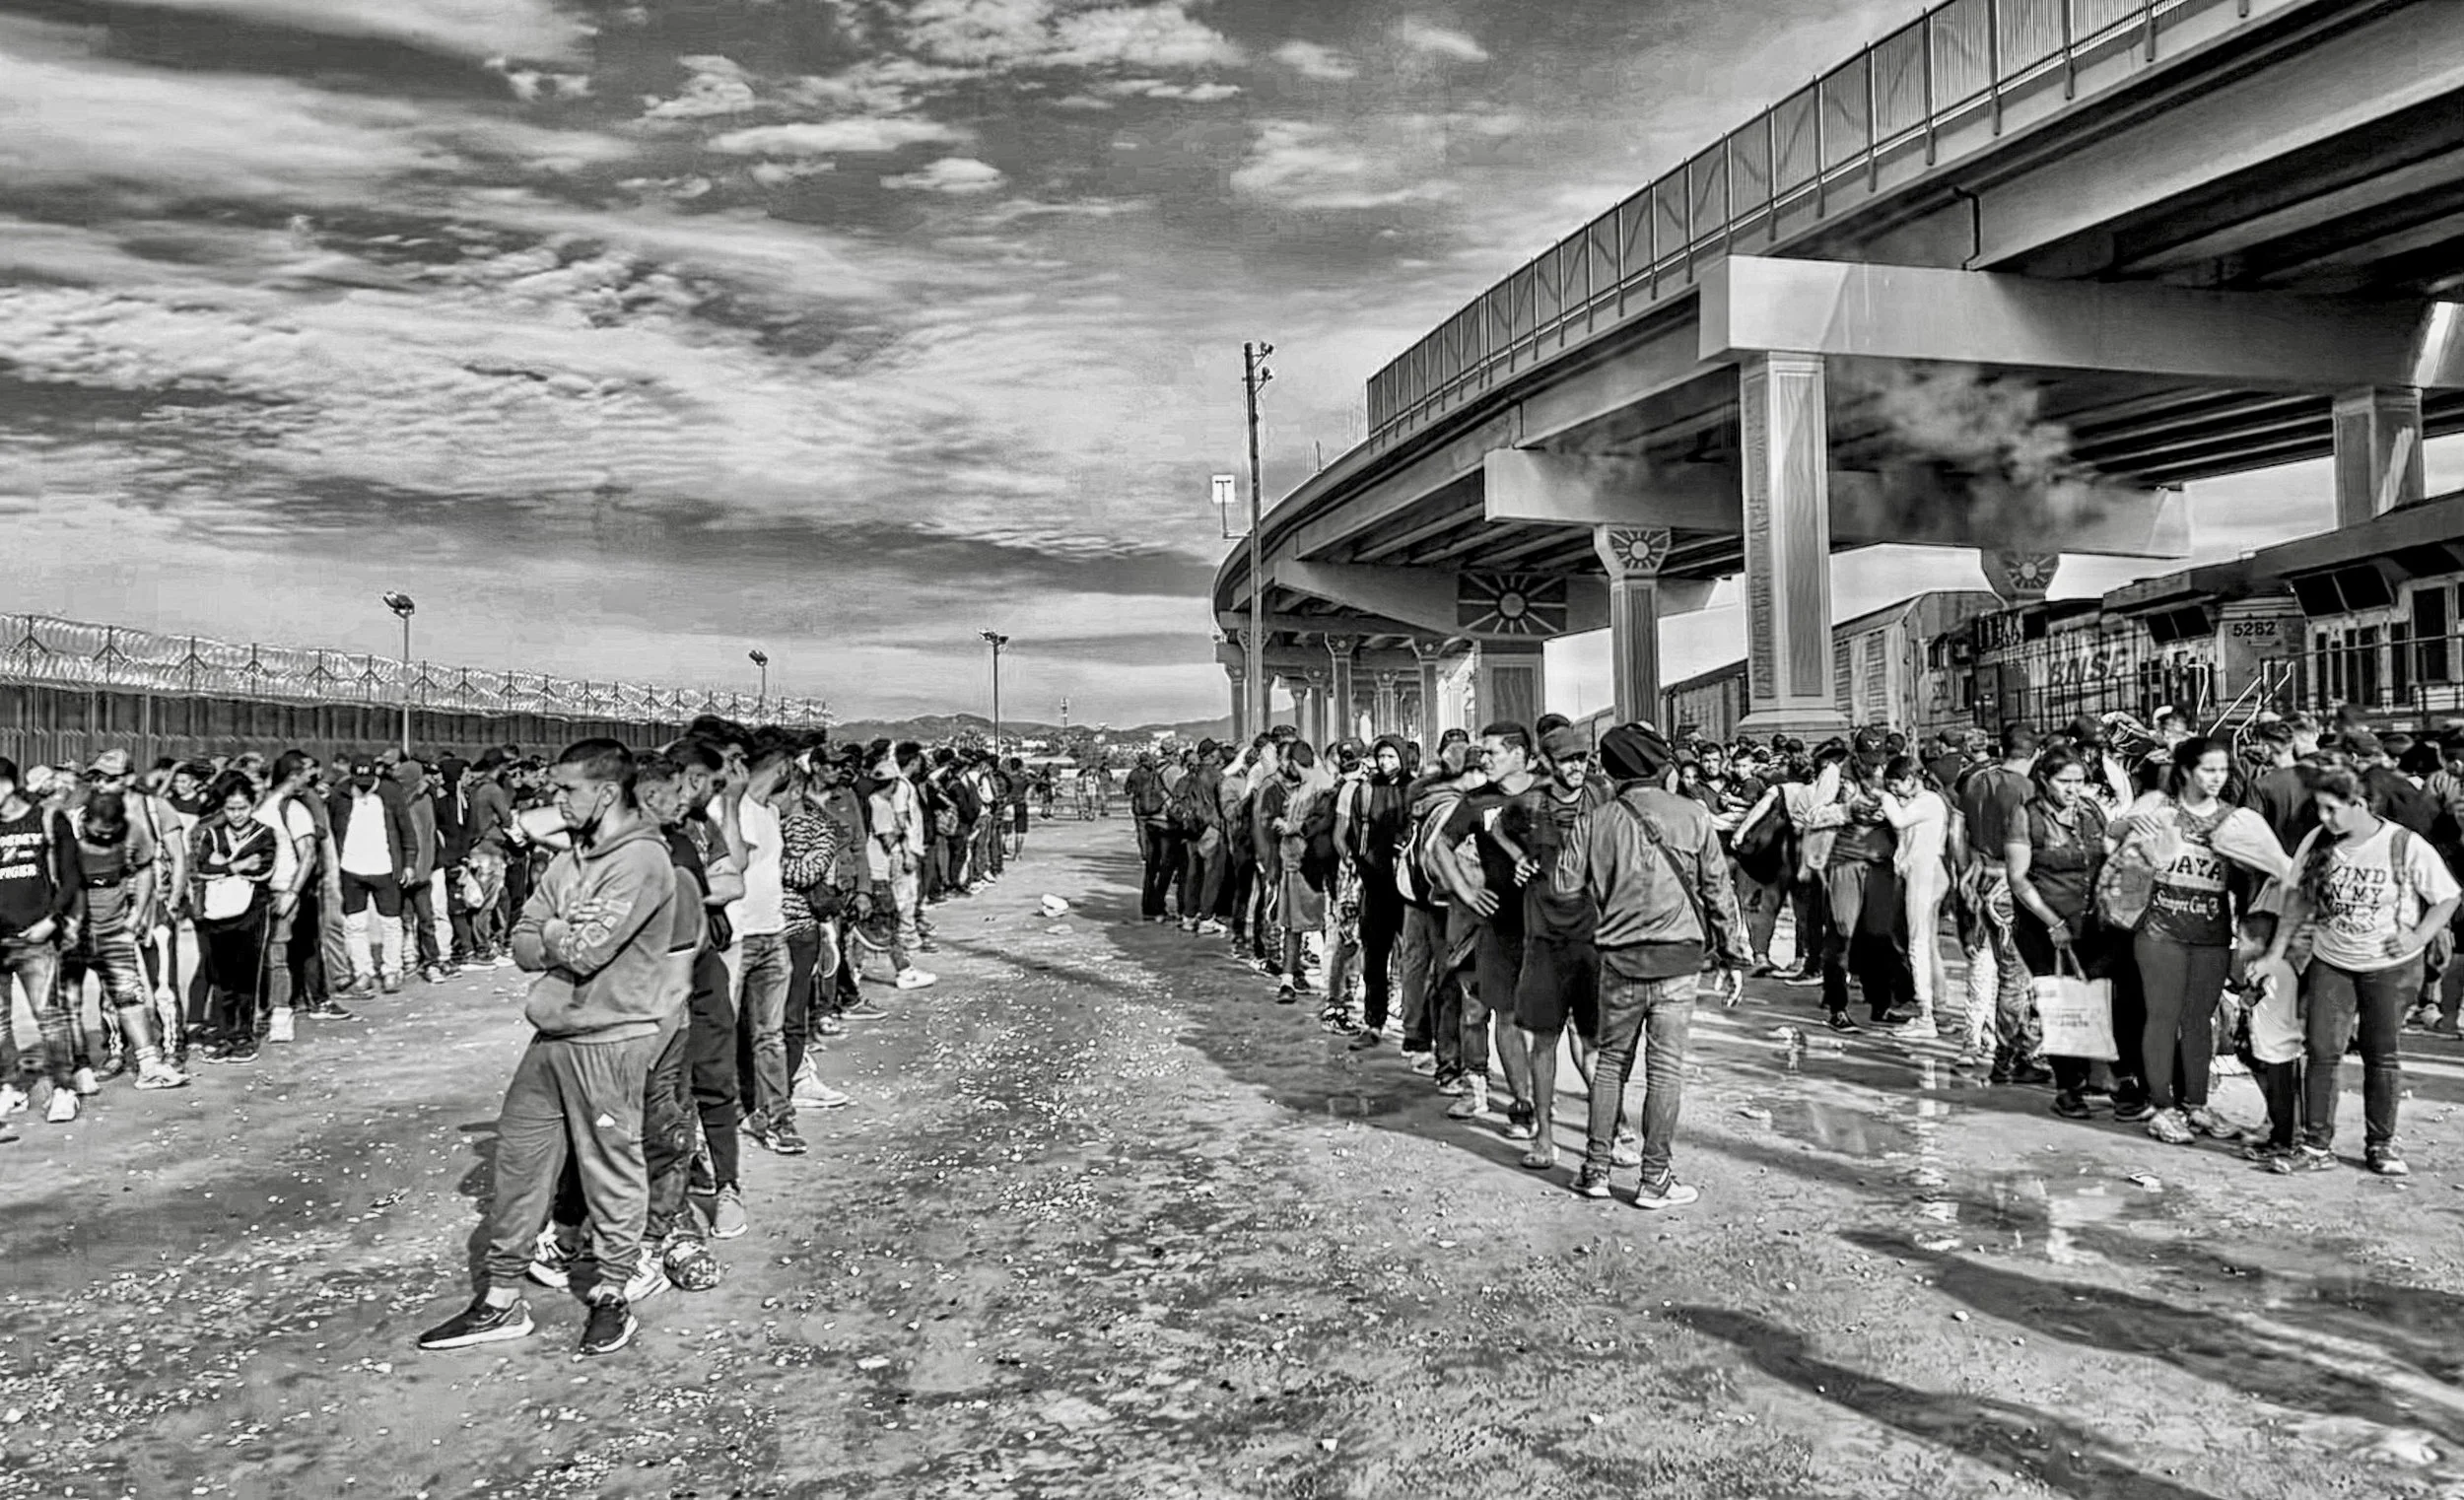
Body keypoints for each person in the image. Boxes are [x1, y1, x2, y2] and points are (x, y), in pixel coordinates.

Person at [417, 738, 678, 1359]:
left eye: (567, 790)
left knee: (610, 1168)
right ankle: (500, 1298)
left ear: (606, 792)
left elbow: (584, 948)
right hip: (554, 1034)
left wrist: (560, 929)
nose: (555, 800)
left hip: (612, 1039)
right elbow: (522, 943)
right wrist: (567, 929)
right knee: (519, 1165)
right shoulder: (573, 862)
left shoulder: (642, 860)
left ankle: (612, 1291)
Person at [1576, 722, 1747, 1208]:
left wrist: (1608, 899)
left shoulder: (1597, 819)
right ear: (1660, 767)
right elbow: (1718, 890)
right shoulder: (1693, 815)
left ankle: (1595, 1170)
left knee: (1610, 1065)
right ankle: (1654, 1180)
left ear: (1610, 772)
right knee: (1665, 1071)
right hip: (1677, 962)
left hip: (1618, 959)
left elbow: (1568, 884)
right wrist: (1732, 956)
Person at [2261, 765, 2460, 1177]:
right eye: (2319, 809)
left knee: (2381, 1055)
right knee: (2321, 1052)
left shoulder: (2404, 844)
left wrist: (2418, 937)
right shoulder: (2318, 841)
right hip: (2332, 963)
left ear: (2361, 805)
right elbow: (2298, 900)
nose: (2324, 818)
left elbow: (2447, 897)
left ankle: (2381, 1145)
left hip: (2389, 968)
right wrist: (2275, 952)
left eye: (2333, 809)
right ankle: (2316, 1147)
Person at [2114, 736, 2289, 1147]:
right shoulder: (2158, 809)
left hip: (2212, 933)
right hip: (2159, 932)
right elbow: (2123, 867)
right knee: (2162, 1017)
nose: (2216, 778)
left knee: (2200, 1020)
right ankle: (2162, 1106)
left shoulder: (2237, 819)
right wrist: (2138, 838)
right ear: (2186, 771)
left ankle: (2196, 1103)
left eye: (2223, 771)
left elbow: (2277, 869)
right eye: (2208, 770)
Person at [1498, 723, 1614, 1171]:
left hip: (1592, 936)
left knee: (1593, 1044)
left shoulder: (1601, 796)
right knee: (1543, 1043)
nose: (1576, 767)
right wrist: (1519, 859)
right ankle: (1545, 1137)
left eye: (1581, 759)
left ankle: (1612, 1126)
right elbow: (1500, 833)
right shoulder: (1530, 801)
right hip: (1544, 938)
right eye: (1567, 760)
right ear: (1548, 762)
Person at [1433, 723, 1541, 1133]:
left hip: (1552, 923)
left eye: (1492, 752)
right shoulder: (1476, 802)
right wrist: (1466, 890)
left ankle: (1611, 1120)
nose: (1484, 760)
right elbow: (1439, 846)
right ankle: (1522, 1104)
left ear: (1519, 754)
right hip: (1499, 924)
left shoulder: (1547, 794)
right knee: (1505, 1015)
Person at [2002, 746, 2119, 1121]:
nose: (2072, 789)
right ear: (2044, 781)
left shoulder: (2091, 812)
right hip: (2044, 926)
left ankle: (2097, 1075)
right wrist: (2052, 922)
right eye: (2063, 782)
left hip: (2093, 921)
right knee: (2061, 1003)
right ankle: (2069, 1087)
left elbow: (2111, 857)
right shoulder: (2027, 817)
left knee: (2096, 999)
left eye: (2079, 781)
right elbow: (2018, 879)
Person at [60, 790, 188, 1094]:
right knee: (69, 1002)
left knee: (129, 996)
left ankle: (148, 1066)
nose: (105, 838)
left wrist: (135, 917)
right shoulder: (65, 832)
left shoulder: (133, 831)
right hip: (72, 932)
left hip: (114, 929)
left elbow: (145, 869)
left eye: (110, 834)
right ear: (85, 821)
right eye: (98, 834)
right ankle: (77, 1069)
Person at [0, 755, 88, 1122]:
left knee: (48, 1018)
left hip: (37, 936)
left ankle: (64, 1088)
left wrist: (53, 921)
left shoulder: (48, 819)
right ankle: (10, 1085)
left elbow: (71, 877)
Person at [1953, 724, 2039, 1075]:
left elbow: (1956, 832)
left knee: (2003, 968)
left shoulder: (1974, 781)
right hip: (2012, 885)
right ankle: (2010, 1057)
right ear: (2033, 754)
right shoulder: (2028, 789)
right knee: (2015, 975)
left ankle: (2013, 1049)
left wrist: (1965, 872)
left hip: (1983, 879)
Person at [188, 771, 279, 1066]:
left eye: (242, 808)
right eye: (230, 809)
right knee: (220, 975)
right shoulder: (212, 834)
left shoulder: (265, 834)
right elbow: (202, 869)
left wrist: (223, 864)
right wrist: (237, 865)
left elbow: (263, 870)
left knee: (245, 973)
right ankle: (222, 1032)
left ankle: (243, 1034)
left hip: (252, 912)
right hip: (218, 913)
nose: (237, 814)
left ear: (252, 805)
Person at [1878, 755, 1950, 1041]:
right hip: (1923, 871)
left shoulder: (1929, 801)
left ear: (1911, 779)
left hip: (1925, 872)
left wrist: (1882, 796)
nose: (1894, 791)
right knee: (1927, 944)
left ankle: (1927, 1015)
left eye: (1896, 784)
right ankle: (1937, 1009)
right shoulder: (1922, 801)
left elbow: (1899, 819)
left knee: (1919, 943)